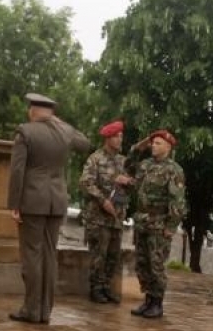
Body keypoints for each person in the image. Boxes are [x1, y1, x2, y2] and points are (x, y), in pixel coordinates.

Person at [7, 92, 90, 324]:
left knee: (32, 255)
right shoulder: (63, 131)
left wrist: (14, 203)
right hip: (57, 200)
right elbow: (85, 143)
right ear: (51, 112)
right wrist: (61, 123)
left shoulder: (25, 131)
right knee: (49, 255)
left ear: (33, 110)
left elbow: (17, 171)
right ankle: (45, 311)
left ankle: (31, 309)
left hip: (33, 200)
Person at [129, 129, 186, 319]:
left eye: (158, 143)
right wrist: (139, 147)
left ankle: (157, 303)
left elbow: (177, 201)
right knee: (141, 263)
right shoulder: (145, 165)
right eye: (153, 143)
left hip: (159, 224)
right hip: (142, 222)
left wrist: (171, 227)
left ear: (168, 147)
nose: (153, 145)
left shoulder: (174, 170)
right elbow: (129, 165)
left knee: (156, 265)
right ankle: (148, 300)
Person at [79, 120, 135, 304]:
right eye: (117, 137)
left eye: (121, 136)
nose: (120, 140)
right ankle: (95, 288)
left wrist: (128, 182)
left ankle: (106, 287)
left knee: (113, 255)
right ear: (108, 138)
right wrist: (102, 200)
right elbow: (85, 183)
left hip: (117, 217)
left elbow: (133, 185)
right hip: (98, 217)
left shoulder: (123, 161)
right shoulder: (95, 159)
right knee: (99, 255)